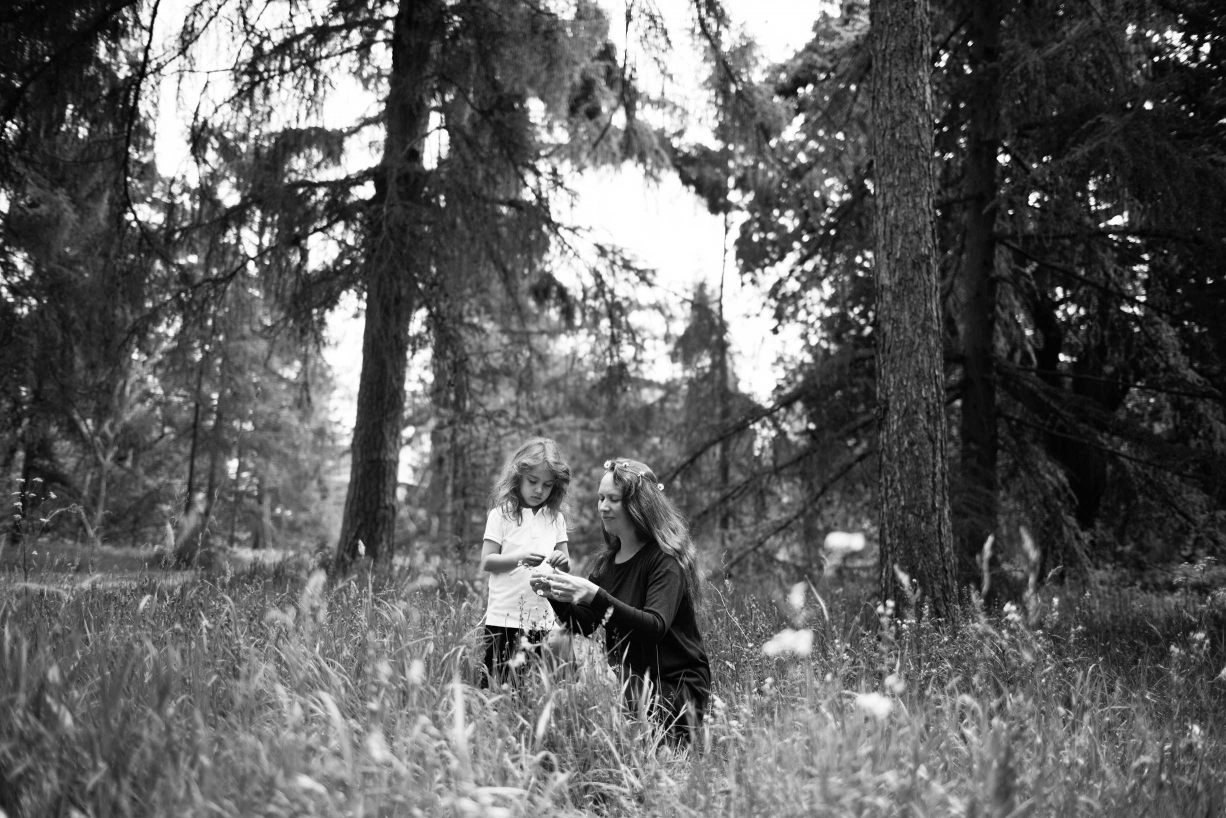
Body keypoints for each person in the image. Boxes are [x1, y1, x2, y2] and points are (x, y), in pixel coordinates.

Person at [531, 458, 711, 747]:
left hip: (675, 686)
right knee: (557, 641)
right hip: (627, 678)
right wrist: (554, 592)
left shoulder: (664, 560)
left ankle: (632, 742)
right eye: (601, 498)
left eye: (613, 499)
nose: (603, 506)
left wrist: (594, 594)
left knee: (582, 697)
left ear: (640, 506)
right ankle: (578, 748)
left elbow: (654, 626)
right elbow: (585, 624)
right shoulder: (607, 563)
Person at [479, 437, 572, 687]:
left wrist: (561, 561)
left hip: (543, 617)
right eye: (532, 481)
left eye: (547, 485)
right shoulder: (501, 515)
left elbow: (566, 566)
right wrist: (520, 559)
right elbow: (488, 561)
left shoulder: (555, 519)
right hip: (504, 617)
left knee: (534, 688)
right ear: (518, 475)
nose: (539, 490)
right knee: (497, 684)